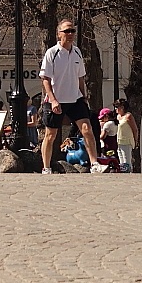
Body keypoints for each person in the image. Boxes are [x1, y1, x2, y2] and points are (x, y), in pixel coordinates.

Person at [38, 19, 100, 174]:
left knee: (87, 129)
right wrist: (53, 100)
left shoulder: (77, 52)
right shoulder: (52, 53)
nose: (70, 34)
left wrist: (83, 96)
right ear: (59, 34)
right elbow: (45, 78)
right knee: (51, 135)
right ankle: (46, 167)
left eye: (72, 31)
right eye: (67, 31)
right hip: (56, 100)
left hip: (75, 98)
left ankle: (94, 164)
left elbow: (80, 77)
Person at [114, 98, 139, 173]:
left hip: (127, 141)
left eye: (117, 107)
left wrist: (136, 141)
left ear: (122, 107)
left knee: (127, 161)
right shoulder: (118, 117)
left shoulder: (128, 116)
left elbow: (135, 129)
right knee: (121, 162)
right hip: (119, 141)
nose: (115, 109)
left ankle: (129, 174)